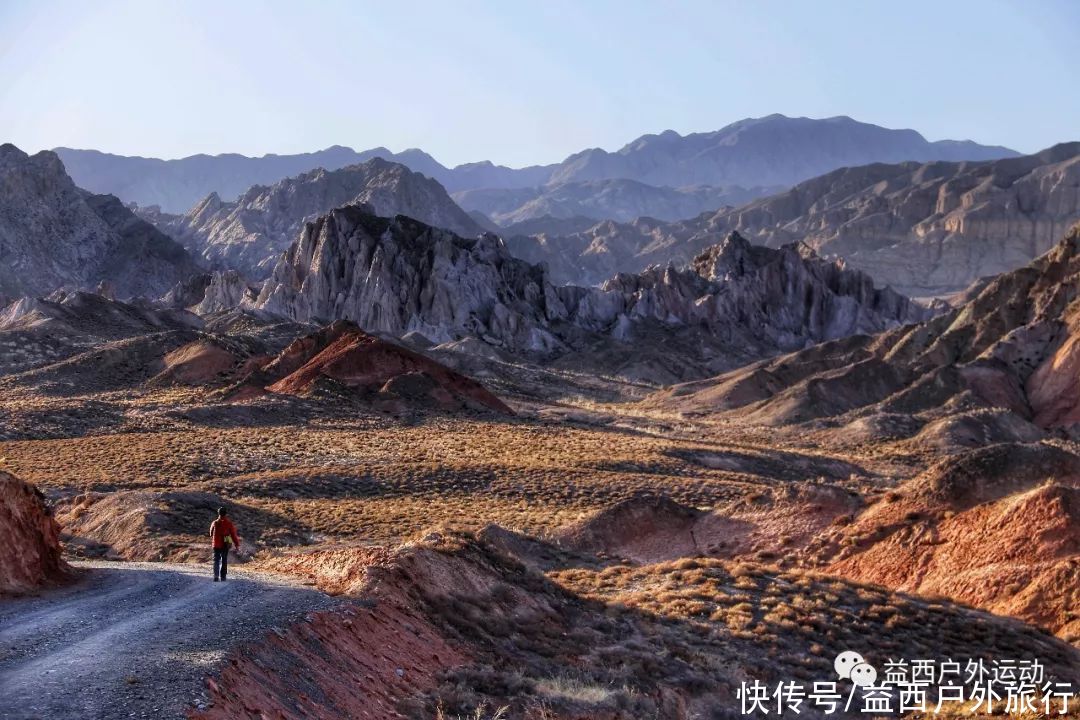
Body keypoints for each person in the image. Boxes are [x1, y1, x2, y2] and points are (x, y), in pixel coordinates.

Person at [210, 507, 241, 581]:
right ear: (226, 514)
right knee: (224, 560)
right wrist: (236, 544)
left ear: (218, 513)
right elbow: (233, 535)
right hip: (225, 544)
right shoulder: (229, 523)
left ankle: (216, 576)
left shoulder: (215, 523)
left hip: (216, 544)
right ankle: (223, 577)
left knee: (216, 560)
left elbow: (211, 533)